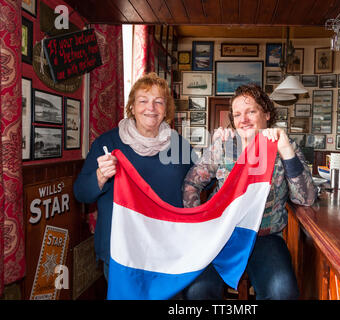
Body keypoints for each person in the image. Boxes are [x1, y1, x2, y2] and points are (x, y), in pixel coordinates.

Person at [181, 84, 316, 300]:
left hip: (265, 237)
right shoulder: (223, 146)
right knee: (198, 292)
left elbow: (306, 198)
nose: (243, 119)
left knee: (283, 294)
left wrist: (286, 150)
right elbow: (191, 183)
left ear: (267, 114)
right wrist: (199, 224)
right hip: (221, 236)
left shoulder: (283, 146)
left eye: (251, 111)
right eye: (237, 114)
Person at [73, 73, 195, 283]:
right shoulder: (108, 142)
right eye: (143, 101)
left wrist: (225, 153)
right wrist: (100, 176)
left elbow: (203, 179)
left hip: (166, 248)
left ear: (166, 109)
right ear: (131, 107)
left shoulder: (179, 145)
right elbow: (82, 193)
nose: (151, 107)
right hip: (121, 249)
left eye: (159, 102)